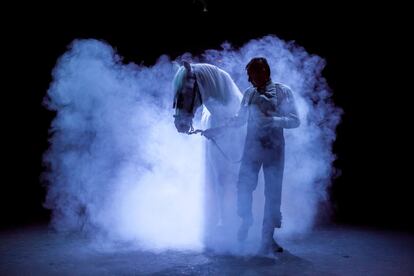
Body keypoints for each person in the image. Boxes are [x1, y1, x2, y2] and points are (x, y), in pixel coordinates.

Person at [202, 57, 300, 255]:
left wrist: (274, 120)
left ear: (264, 71)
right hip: (251, 150)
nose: (249, 79)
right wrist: (217, 131)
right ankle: (246, 220)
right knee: (243, 187)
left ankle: (268, 238)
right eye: (249, 75)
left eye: (252, 74)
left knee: (272, 194)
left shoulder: (283, 91)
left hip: (274, 150)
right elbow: (239, 120)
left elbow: (295, 120)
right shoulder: (248, 94)